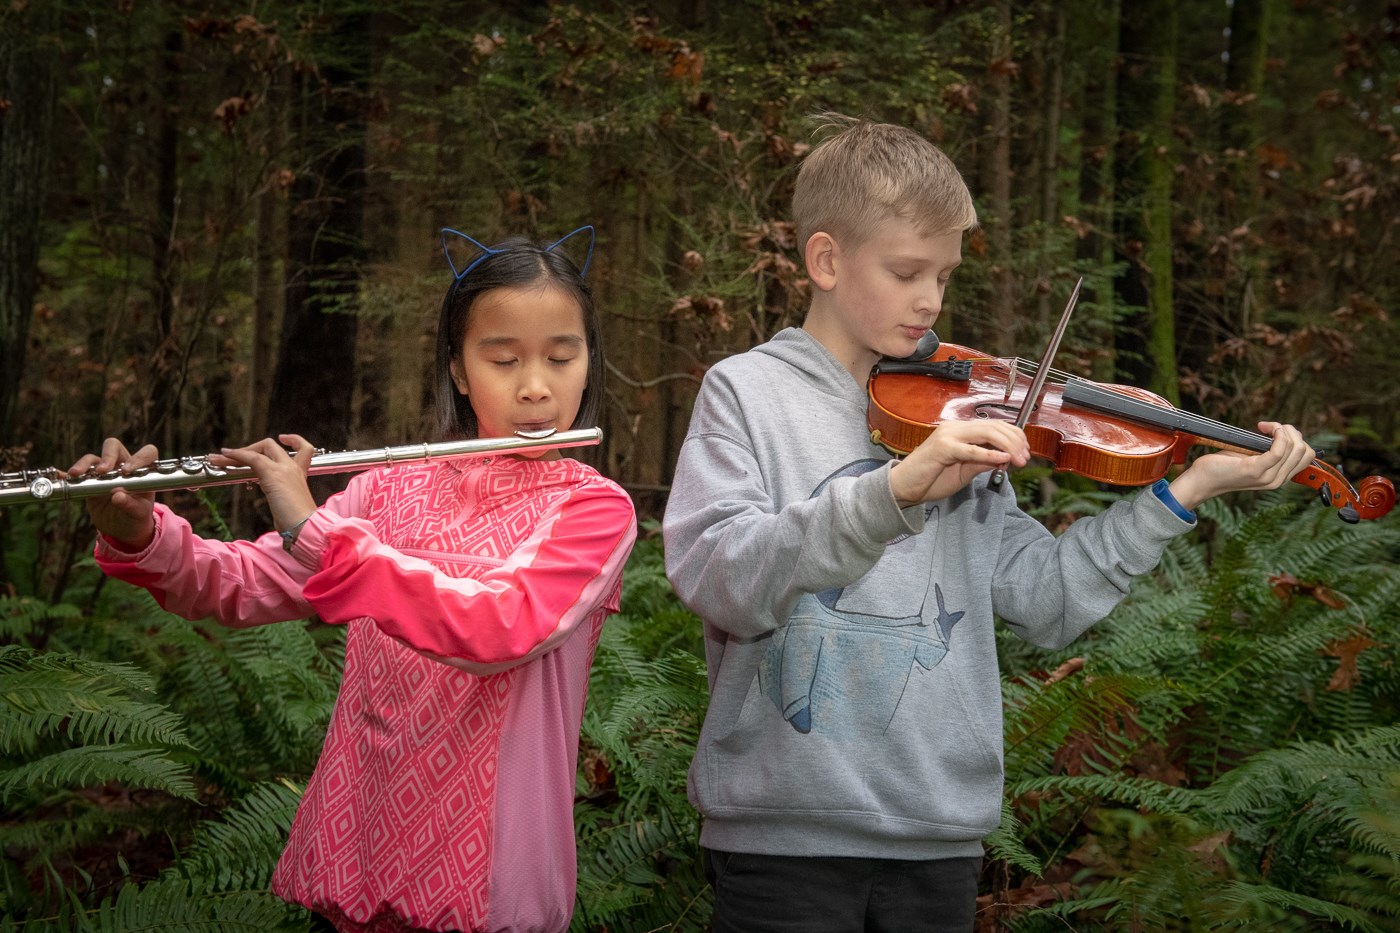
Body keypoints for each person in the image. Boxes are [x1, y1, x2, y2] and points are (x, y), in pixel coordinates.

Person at [661, 114, 1317, 933]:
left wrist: (1181, 492)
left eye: (944, 274)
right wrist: (896, 490)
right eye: (906, 271)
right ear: (825, 259)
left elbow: (1046, 598)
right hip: (781, 840)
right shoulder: (746, 394)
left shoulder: (963, 404)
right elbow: (721, 576)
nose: (931, 299)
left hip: (939, 839)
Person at [71, 227, 637, 933]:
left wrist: (316, 528)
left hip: (489, 888)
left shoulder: (592, 508)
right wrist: (138, 533)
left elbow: (500, 624)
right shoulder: (385, 492)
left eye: (562, 356)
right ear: (460, 369)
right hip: (356, 862)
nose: (535, 385)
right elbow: (243, 585)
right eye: (502, 358)